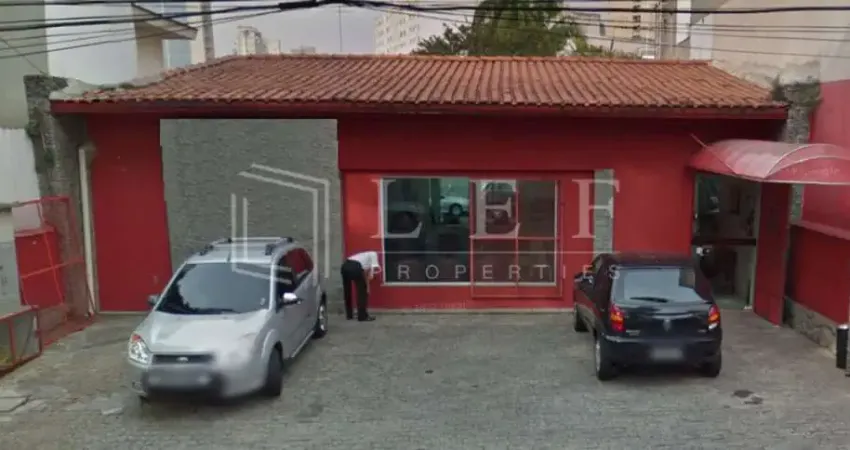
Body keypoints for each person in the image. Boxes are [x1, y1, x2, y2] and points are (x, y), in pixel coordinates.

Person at [341, 251, 379, 322]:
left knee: (347, 290)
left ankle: (349, 315)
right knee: (362, 293)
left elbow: (364, 275)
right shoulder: (373, 255)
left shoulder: (363, 257)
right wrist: (367, 287)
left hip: (345, 265)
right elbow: (369, 274)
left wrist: (367, 287)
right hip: (355, 266)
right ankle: (362, 316)